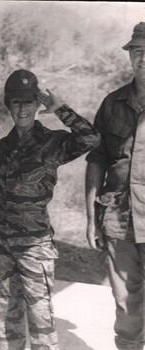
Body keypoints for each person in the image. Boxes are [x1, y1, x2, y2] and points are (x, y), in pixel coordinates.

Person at [0, 69, 100, 350]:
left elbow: (90, 139)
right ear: (8, 104)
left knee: (40, 317)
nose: (23, 108)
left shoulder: (53, 142)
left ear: (37, 104)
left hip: (34, 243)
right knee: (5, 312)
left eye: (29, 101)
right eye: (17, 102)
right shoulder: (1, 148)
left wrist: (60, 109)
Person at [85, 22, 145, 350]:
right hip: (119, 219)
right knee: (126, 304)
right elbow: (97, 159)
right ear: (130, 56)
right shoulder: (112, 104)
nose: (143, 59)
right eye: (137, 51)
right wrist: (89, 216)